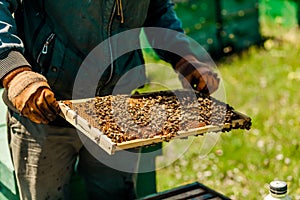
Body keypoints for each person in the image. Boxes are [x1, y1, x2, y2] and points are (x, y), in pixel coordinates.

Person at [0, 0, 220, 199]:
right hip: (46, 108)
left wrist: (183, 55)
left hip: (118, 107)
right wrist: (14, 69)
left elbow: (157, 8)